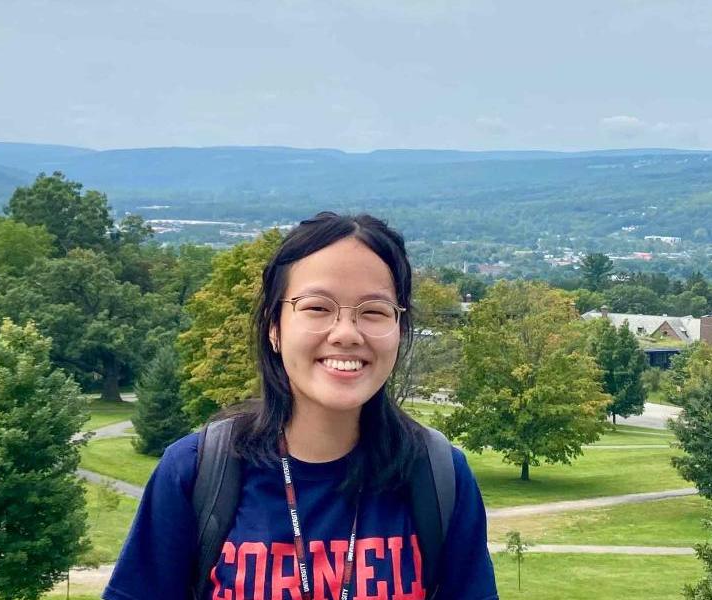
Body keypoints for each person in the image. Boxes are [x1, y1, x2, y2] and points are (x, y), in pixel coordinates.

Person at [103, 212, 498, 600]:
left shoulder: (438, 475)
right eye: (317, 308)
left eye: (374, 312)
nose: (346, 334)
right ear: (274, 327)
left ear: (400, 330)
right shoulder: (195, 472)